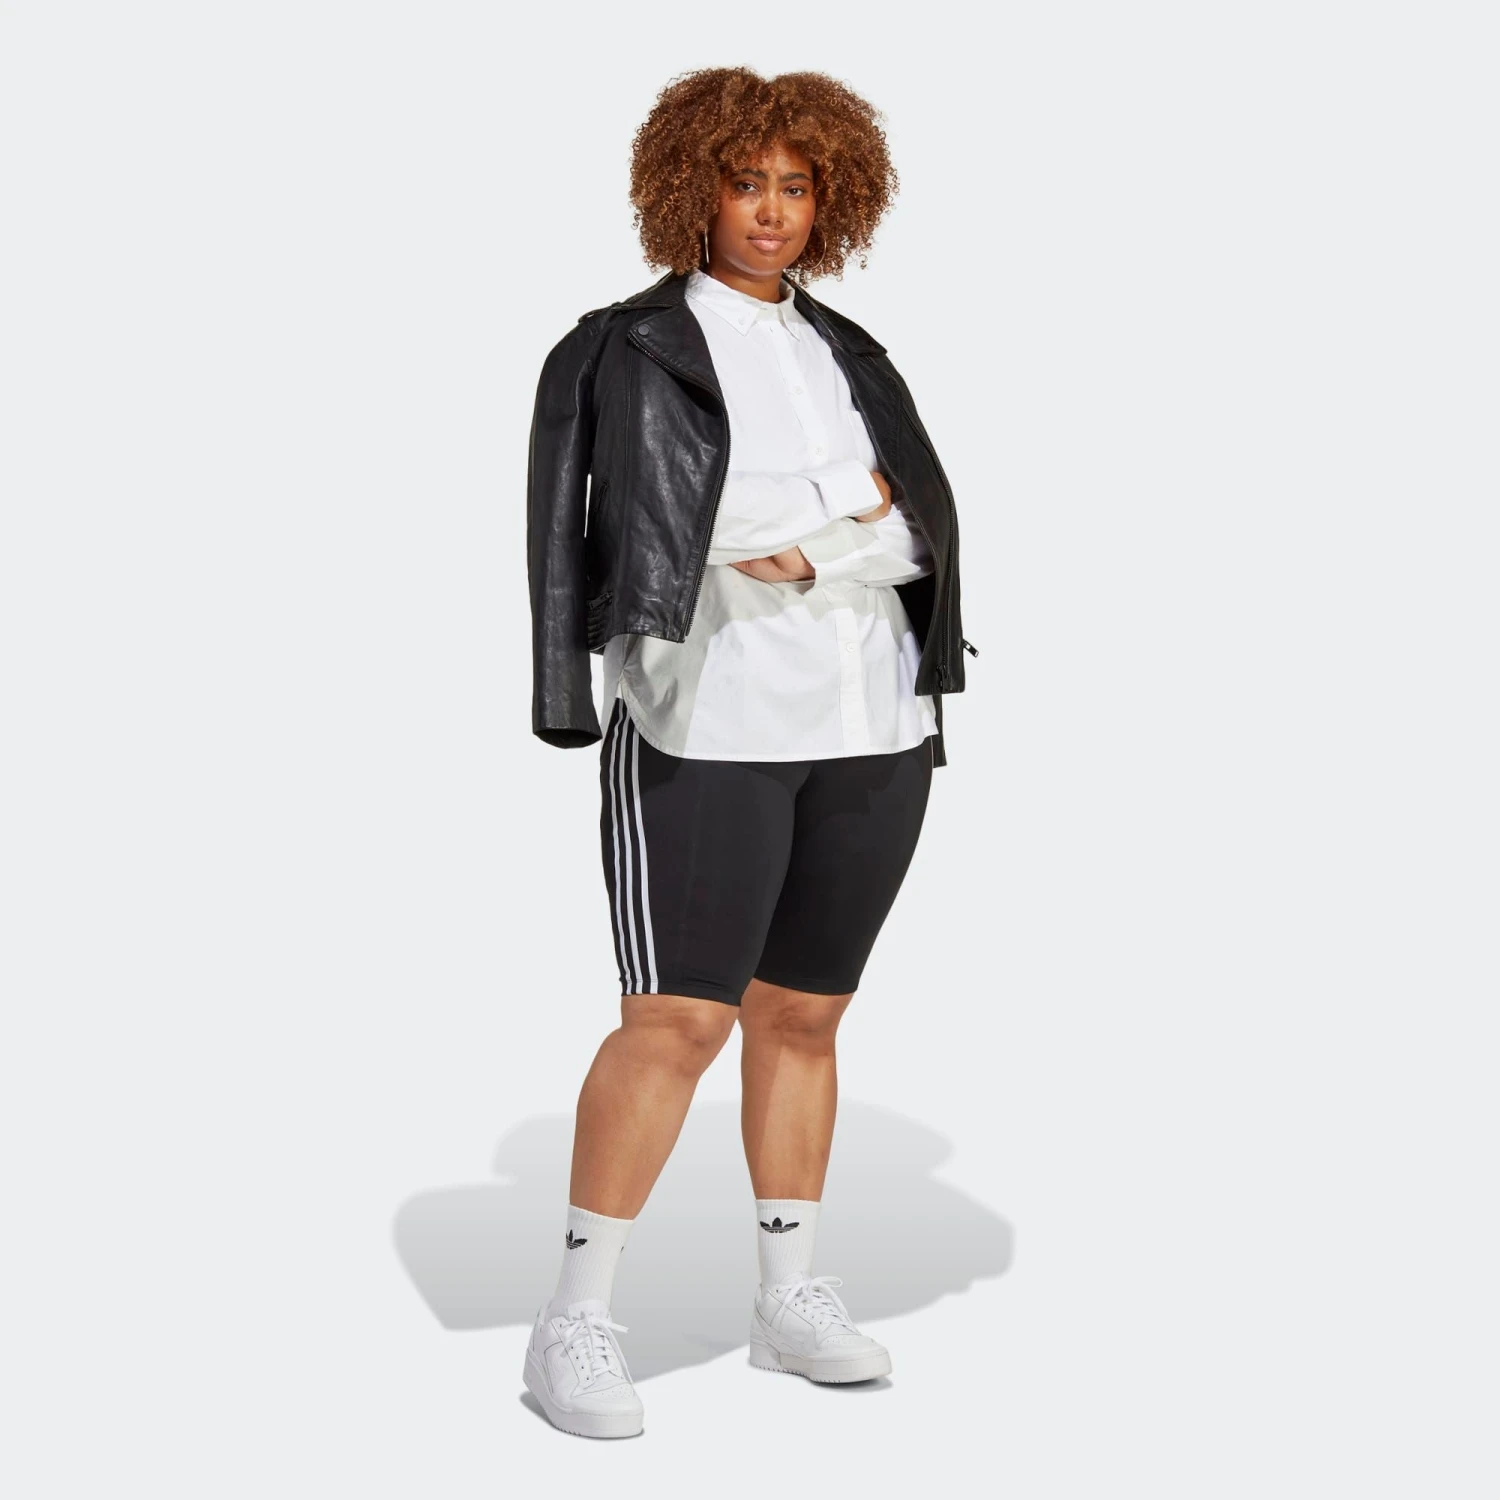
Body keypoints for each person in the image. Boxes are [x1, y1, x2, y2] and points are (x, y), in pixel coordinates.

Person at [521, 66, 974, 1439]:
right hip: (705, 720)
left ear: (832, 200)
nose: (771, 211)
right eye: (744, 183)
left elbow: (926, 530)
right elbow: (660, 529)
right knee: (678, 1021)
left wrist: (813, 534)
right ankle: (575, 1318)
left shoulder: (854, 354)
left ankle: (789, 1299)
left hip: (874, 721)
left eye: (795, 187)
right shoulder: (623, 349)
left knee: (805, 1015)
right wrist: (842, 509)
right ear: (692, 190)